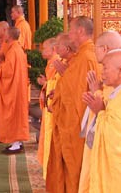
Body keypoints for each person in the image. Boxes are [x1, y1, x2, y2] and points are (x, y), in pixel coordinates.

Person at [46, 16, 99, 193]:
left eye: (71, 30)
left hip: (76, 125)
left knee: (75, 167)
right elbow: (73, 86)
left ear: (80, 31)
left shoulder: (87, 57)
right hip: (70, 122)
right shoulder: (79, 57)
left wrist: (65, 77)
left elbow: (81, 94)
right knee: (68, 167)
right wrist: (59, 90)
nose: (69, 34)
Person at [78, 31, 121, 193]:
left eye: (105, 68)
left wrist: (98, 111)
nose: (102, 72)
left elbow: (116, 135)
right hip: (104, 159)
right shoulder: (113, 89)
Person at [0, 27, 30, 154]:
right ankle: (17, 142)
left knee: (13, 114)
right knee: (17, 114)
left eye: (5, 34)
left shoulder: (13, 51)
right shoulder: (16, 49)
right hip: (17, 87)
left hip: (13, 89)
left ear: (9, 37)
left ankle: (15, 143)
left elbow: (7, 72)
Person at [36, 37, 60, 179]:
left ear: (54, 49)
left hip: (53, 105)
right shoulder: (51, 63)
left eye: (45, 49)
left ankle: (49, 165)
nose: (42, 51)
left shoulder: (55, 63)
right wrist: (46, 83)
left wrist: (45, 84)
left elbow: (55, 84)